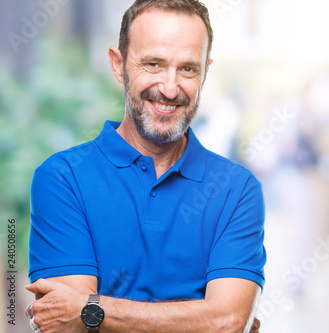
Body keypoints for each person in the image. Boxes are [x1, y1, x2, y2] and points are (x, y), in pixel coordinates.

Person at [24, 1, 266, 332]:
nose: (169, 88)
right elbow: (68, 327)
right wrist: (204, 319)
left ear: (205, 72)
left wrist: (92, 310)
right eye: (153, 64)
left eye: (188, 69)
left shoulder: (238, 190)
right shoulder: (62, 179)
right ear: (118, 64)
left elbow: (227, 321)